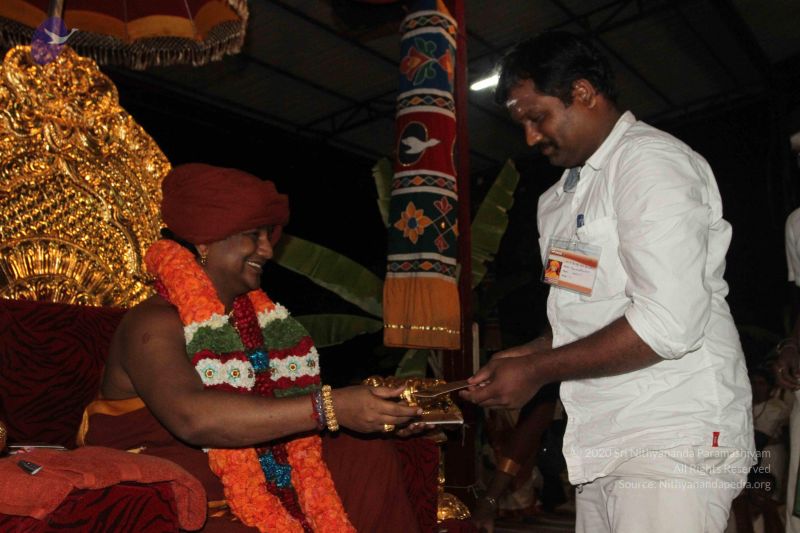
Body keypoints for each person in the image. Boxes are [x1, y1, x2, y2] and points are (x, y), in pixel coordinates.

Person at [461, 31, 754, 533]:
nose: (529, 137)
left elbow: (668, 323)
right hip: (601, 439)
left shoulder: (649, 163)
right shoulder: (557, 201)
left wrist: (538, 370)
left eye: (537, 117)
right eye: (521, 124)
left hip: (669, 432)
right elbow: (585, 317)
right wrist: (529, 352)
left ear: (583, 92)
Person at [78, 163, 425, 532]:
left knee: (365, 453)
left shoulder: (260, 325)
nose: (268, 251)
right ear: (204, 241)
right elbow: (192, 418)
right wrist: (329, 407)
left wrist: (377, 414)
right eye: (253, 236)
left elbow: (282, 417)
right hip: (174, 503)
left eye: (267, 236)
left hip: (262, 481)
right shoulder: (152, 323)